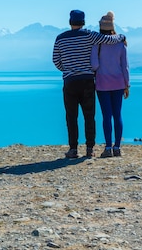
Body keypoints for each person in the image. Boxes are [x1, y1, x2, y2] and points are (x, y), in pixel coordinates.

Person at [53, 10, 126, 159]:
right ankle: (90, 149)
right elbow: (109, 40)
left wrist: (68, 69)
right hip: (87, 81)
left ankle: (73, 149)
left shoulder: (60, 38)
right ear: (83, 22)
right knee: (89, 115)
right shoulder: (90, 35)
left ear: (70, 22)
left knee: (71, 116)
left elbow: (56, 60)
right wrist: (122, 36)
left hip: (70, 81)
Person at [91, 11, 130, 158]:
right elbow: (125, 66)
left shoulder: (97, 43)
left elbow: (94, 65)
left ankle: (108, 147)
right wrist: (127, 85)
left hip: (102, 84)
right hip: (119, 83)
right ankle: (118, 147)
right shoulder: (121, 43)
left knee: (106, 115)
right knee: (117, 114)